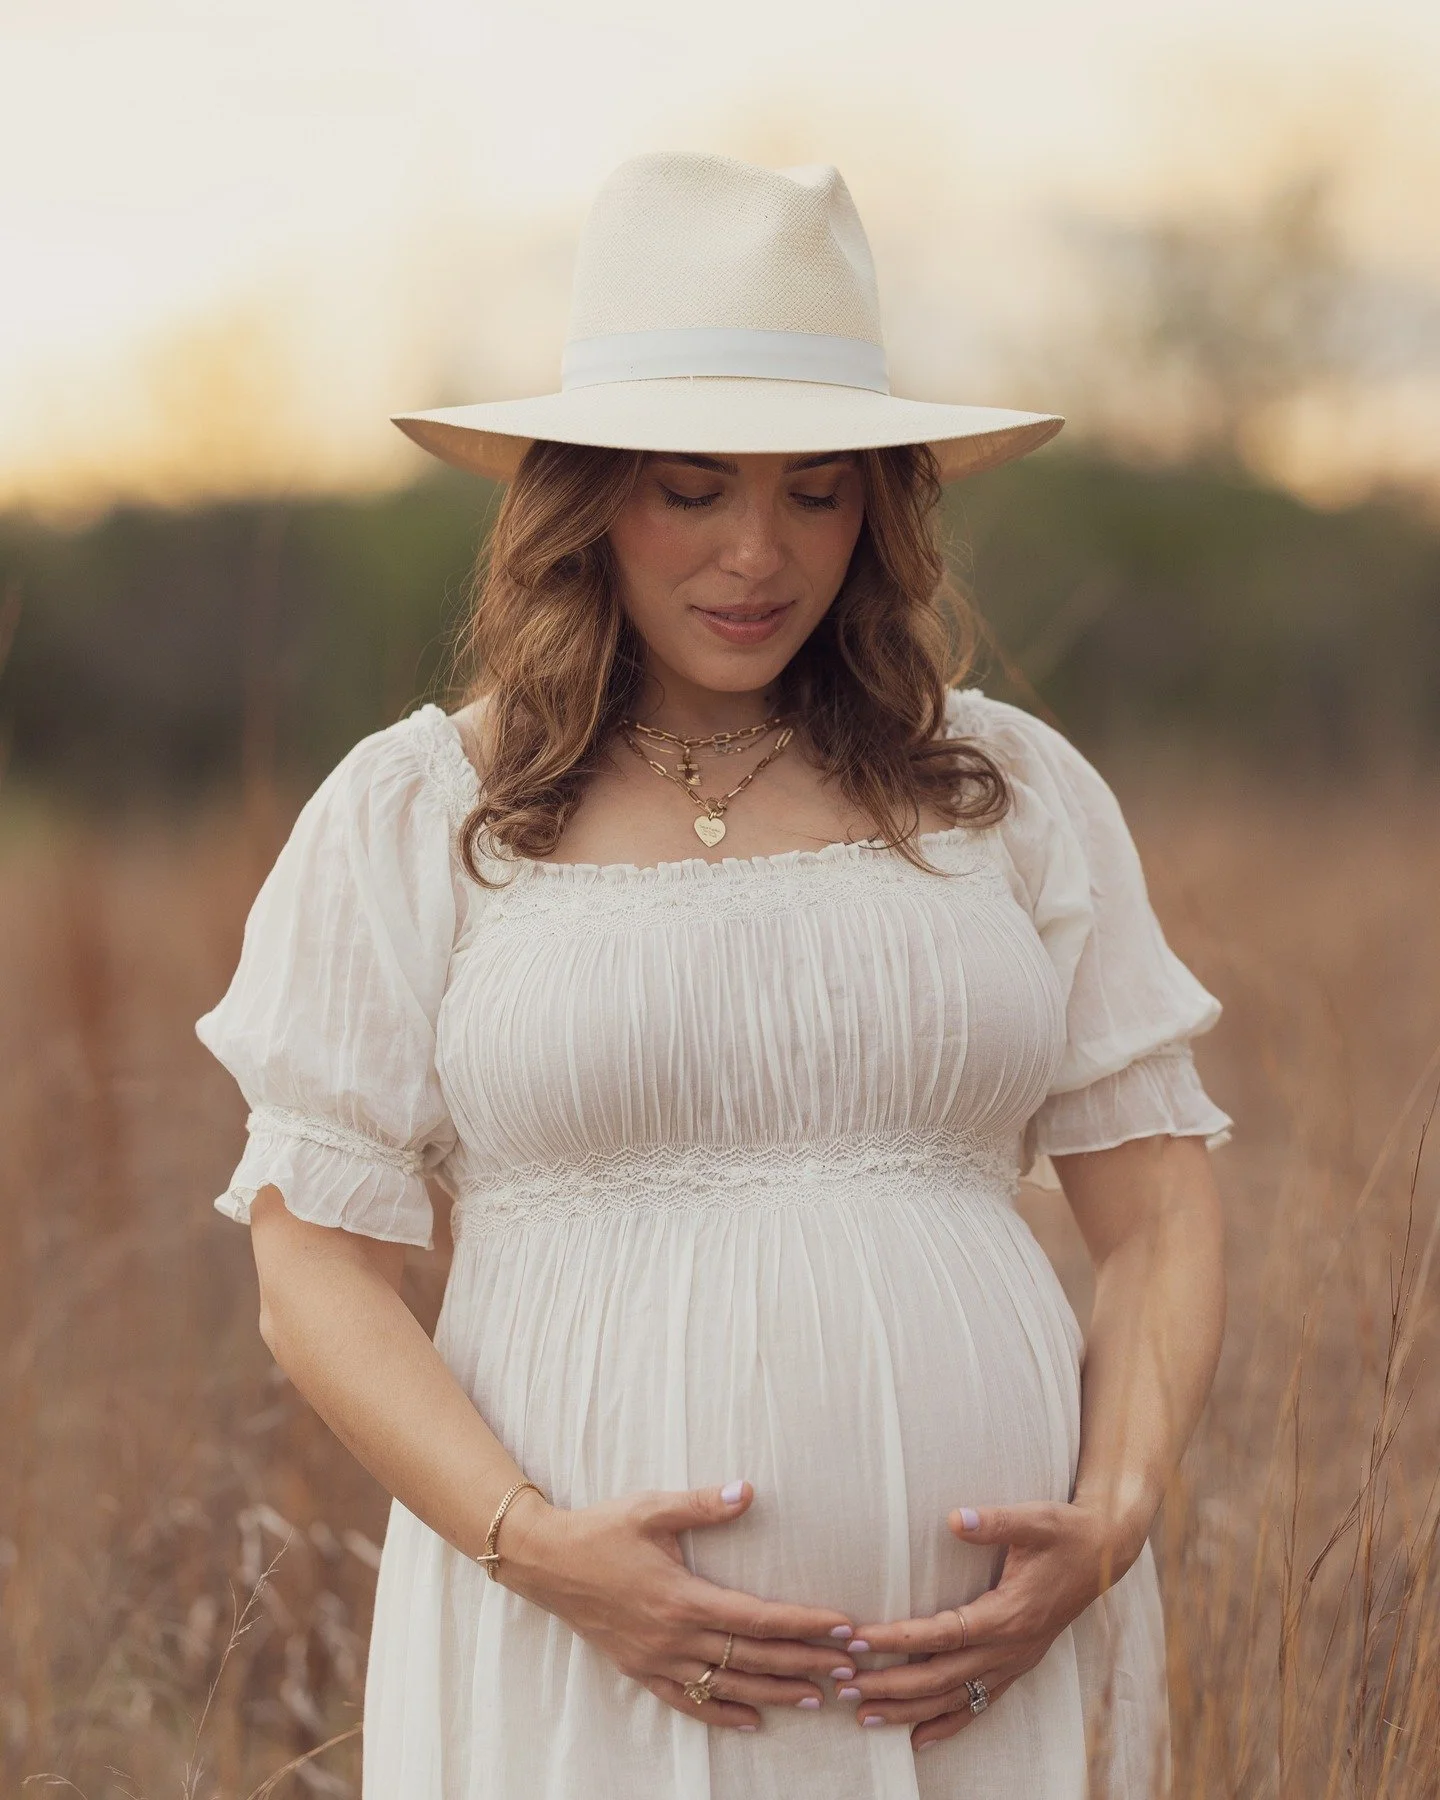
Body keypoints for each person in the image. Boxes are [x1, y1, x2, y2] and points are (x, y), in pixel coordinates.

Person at [196, 152, 1231, 1799]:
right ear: (582, 496)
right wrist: (538, 1549)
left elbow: (1162, 1207)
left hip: (980, 1668)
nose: (761, 552)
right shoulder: (417, 813)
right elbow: (311, 1267)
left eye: (817, 490)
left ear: (877, 510)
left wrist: (1111, 1516)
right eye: (693, 487)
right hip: (573, 1653)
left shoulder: (1009, 792)